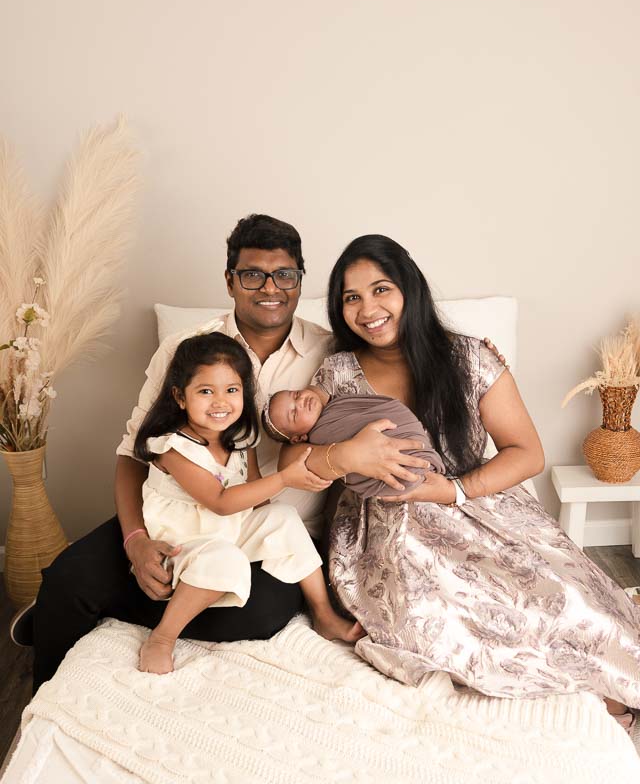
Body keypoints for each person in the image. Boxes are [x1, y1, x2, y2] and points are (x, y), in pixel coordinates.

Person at [16, 214, 428, 692]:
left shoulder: (333, 355)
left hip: (262, 525)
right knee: (66, 579)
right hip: (179, 514)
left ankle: (119, 603)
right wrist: (136, 542)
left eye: (285, 275)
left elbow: (392, 377)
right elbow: (133, 454)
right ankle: (48, 673)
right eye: (253, 274)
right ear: (230, 281)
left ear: (300, 281)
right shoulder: (186, 350)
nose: (270, 288)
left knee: (259, 614)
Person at [279, 234, 640, 729]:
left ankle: (613, 682)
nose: (368, 310)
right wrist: (344, 455)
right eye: (351, 298)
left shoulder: (470, 357)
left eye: (381, 290)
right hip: (388, 531)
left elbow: (527, 453)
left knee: (570, 600)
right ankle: (586, 694)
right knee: (449, 619)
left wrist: (451, 490)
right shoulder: (338, 372)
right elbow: (291, 456)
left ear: (409, 289)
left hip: (476, 503)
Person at [133, 331, 361, 673]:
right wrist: (285, 478)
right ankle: (163, 637)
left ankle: (323, 613)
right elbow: (221, 501)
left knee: (283, 516)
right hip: (183, 543)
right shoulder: (173, 448)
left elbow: (254, 495)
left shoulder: (241, 438)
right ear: (180, 397)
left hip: (228, 529)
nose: (220, 402)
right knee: (226, 560)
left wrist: (296, 475)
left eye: (231, 390)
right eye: (205, 391)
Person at [262, 387, 445, 497]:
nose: (301, 401)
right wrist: (350, 454)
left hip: (423, 455)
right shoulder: (320, 436)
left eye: (295, 395)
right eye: (294, 413)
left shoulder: (337, 402)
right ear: (298, 438)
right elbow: (288, 463)